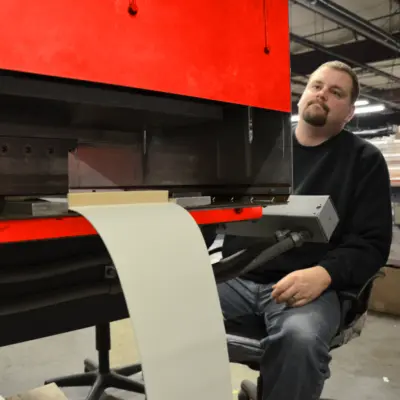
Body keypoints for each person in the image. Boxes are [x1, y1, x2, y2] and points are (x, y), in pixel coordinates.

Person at [218, 61, 393, 400]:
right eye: (316, 86)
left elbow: (372, 244)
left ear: (349, 113)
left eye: (336, 92)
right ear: (302, 97)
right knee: (169, 307)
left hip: (310, 288)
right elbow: (217, 213)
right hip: (238, 276)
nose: (322, 94)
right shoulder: (261, 152)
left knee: (299, 339)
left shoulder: (364, 161)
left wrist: (324, 274)